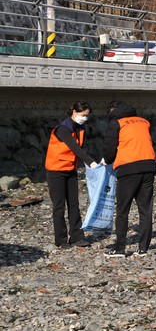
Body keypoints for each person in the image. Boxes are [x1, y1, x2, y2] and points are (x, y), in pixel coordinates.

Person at [103, 101, 156, 258]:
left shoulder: (117, 123)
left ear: (113, 111)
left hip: (129, 169)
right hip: (149, 166)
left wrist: (107, 160)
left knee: (122, 210)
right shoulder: (144, 121)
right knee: (145, 210)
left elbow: (109, 148)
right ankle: (143, 249)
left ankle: (120, 249)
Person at [44, 101, 99, 249]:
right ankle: (61, 240)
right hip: (55, 170)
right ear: (74, 112)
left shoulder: (80, 129)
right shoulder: (62, 129)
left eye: (87, 116)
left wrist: (95, 162)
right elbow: (75, 148)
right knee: (59, 205)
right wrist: (91, 163)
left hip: (70, 169)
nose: (84, 118)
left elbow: (83, 148)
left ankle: (77, 237)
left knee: (74, 204)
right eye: (83, 115)